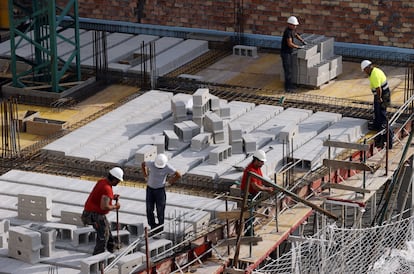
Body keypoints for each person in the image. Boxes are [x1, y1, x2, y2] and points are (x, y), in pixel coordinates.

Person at [81, 167, 123, 255]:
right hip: (94, 215)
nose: (118, 183)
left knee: (106, 229)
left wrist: (112, 197)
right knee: (103, 236)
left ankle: (112, 247)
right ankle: (98, 257)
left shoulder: (102, 182)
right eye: (118, 181)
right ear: (114, 179)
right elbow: (104, 206)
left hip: (90, 212)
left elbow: (101, 196)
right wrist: (115, 206)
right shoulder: (107, 188)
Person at [141, 153, 181, 234]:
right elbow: (143, 164)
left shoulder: (167, 167)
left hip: (160, 191)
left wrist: (169, 182)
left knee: (160, 210)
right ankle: (152, 225)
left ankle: (160, 228)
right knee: (149, 209)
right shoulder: (151, 163)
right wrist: (145, 175)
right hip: (150, 189)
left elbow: (178, 174)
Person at [240, 150, 274, 236]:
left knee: (252, 213)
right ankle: (249, 234)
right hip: (248, 195)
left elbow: (261, 180)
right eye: (261, 162)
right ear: (256, 160)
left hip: (253, 195)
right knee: (249, 215)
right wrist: (267, 189)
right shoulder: (250, 170)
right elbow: (255, 186)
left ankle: (250, 232)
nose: (263, 164)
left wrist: (271, 185)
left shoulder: (257, 168)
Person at [361, 60, 393, 149]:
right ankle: (377, 125)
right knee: (377, 110)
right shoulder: (375, 70)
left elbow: (379, 89)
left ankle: (382, 129)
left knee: (381, 112)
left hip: (382, 95)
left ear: (367, 68)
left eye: (364, 70)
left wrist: (379, 98)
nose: (364, 72)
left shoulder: (374, 75)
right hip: (382, 94)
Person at [281, 16, 307, 93]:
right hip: (285, 53)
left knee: (290, 70)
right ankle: (288, 87)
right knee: (288, 70)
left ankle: (290, 85)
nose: (295, 26)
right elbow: (290, 44)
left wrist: (302, 40)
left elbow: (296, 35)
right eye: (294, 25)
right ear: (289, 24)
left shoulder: (292, 30)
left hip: (289, 53)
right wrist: (299, 47)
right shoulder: (287, 32)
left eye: (296, 25)